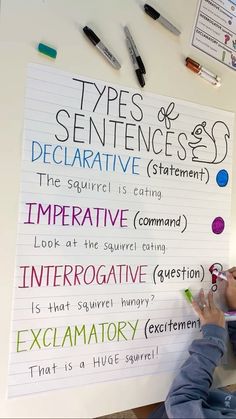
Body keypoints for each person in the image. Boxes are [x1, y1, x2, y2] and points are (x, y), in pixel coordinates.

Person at [134, 267, 236, 419]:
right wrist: (234, 310)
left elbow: (181, 406)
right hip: (213, 394)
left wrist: (214, 338)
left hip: (169, 409)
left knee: (128, 388)